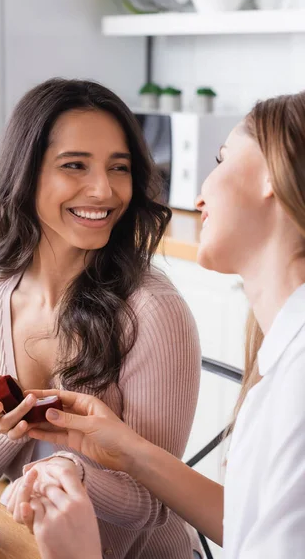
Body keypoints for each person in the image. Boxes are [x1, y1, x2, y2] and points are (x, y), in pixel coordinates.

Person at [16, 90, 305, 559]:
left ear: (271, 173)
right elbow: (250, 524)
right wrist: (128, 450)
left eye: (222, 157)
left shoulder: (297, 390)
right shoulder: (284, 360)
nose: (198, 193)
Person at [0, 78, 202, 558]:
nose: (103, 190)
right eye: (74, 165)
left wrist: (70, 470)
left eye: (119, 168)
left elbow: (157, 504)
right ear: (26, 173)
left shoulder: (152, 311)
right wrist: (2, 430)